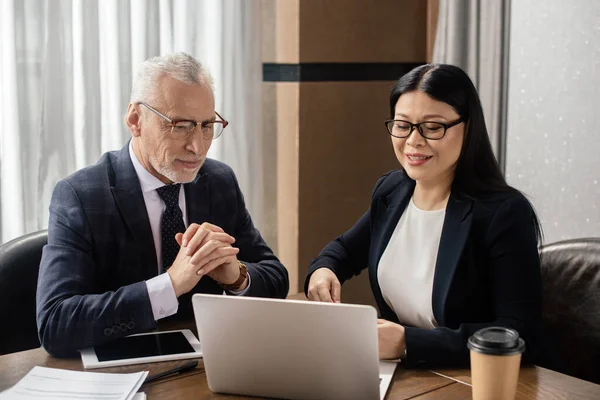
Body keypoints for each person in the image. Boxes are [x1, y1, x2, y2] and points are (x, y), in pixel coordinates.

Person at [37, 52, 289, 357]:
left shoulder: (219, 181)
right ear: (135, 120)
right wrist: (169, 285)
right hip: (121, 373)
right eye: (180, 126)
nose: (197, 147)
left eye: (207, 126)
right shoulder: (80, 196)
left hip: (204, 367)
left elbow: (277, 278)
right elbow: (55, 323)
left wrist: (237, 276)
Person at [305, 64, 548, 368]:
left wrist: (409, 342)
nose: (413, 141)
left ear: (468, 127)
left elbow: (519, 334)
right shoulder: (392, 190)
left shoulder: (504, 212)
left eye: (432, 127)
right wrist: (323, 270)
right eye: (403, 125)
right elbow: (343, 250)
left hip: (469, 380)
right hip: (396, 371)